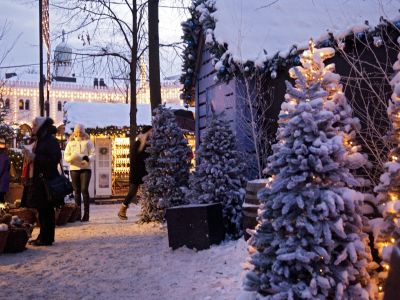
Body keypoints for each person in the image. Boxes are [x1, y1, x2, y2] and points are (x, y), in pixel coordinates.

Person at [22, 117, 61, 246]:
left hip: (46, 180)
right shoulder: (40, 140)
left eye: (34, 126)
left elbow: (53, 160)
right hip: (39, 180)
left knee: (46, 210)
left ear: (40, 127)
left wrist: (35, 157)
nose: (32, 128)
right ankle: (43, 236)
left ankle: (47, 238)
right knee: (42, 210)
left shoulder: (50, 141)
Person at [118, 126, 152, 220]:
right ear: (147, 133)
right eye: (151, 131)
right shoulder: (138, 144)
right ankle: (122, 209)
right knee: (133, 192)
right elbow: (136, 159)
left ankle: (146, 211)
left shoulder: (148, 144)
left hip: (143, 172)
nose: (153, 133)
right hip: (138, 172)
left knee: (141, 192)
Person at [64, 124, 95, 222]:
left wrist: (87, 159)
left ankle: (86, 215)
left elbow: (93, 154)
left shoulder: (88, 142)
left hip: (85, 168)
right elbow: (66, 156)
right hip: (74, 168)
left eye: (80, 131)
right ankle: (77, 215)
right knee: (76, 191)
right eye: (77, 131)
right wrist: (71, 158)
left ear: (83, 131)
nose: (78, 133)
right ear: (74, 132)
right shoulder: (70, 143)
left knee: (84, 190)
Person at [0, 138, 10, 203]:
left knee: (1, 199)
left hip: (2, 181)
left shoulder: (2, 157)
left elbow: (1, 169)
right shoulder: (5, 156)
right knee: (1, 198)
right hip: (3, 181)